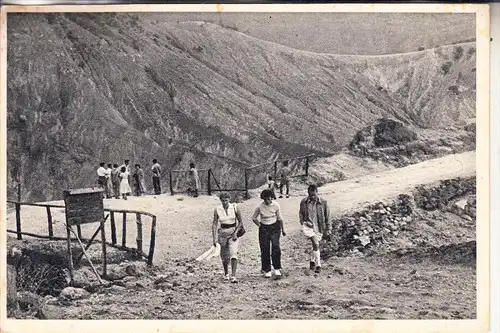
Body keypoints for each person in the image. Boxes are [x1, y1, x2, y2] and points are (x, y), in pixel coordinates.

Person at [252, 189, 286, 279]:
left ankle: (277, 268)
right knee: (265, 248)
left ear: (272, 197)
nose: (268, 201)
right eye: (265, 199)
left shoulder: (276, 205)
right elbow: (254, 218)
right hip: (264, 228)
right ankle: (267, 269)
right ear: (263, 199)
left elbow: (280, 218)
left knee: (275, 246)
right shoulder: (260, 207)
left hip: (275, 227)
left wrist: (283, 229)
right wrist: (260, 225)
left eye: (269, 199)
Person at [299, 184, 332, 274]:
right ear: (308, 193)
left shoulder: (323, 202)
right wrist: (302, 222)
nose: (312, 196)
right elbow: (301, 213)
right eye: (310, 195)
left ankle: (312, 261)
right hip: (308, 226)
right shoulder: (304, 202)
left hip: (319, 226)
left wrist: (328, 228)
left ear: (317, 192)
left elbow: (327, 216)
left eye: (314, 194)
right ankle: (318, 265)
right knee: (315, 243)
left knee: (315, 245)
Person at [212, 192, 244, 283]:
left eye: (226, 200)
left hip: (233, 232)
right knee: (224, 255)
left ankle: (233, 275)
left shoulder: (234, 207)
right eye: (223, 201)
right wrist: (214, 238)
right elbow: (214, 224)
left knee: (233, 253)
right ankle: (226, 273)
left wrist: (235, 233)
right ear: (220, 200)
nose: (225, 202)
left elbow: (241, 222)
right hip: (222, 233)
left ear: (229, 200)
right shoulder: (217, 209)